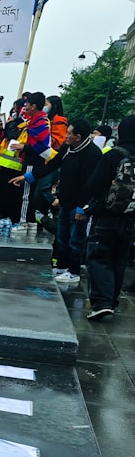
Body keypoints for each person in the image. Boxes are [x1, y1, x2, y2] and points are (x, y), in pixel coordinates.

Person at [12, 118, 101, 283]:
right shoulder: (68, 148)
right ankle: (61, 266)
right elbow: (51, 165)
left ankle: (73, 271)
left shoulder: (92, 154)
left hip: (79, 204)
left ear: (78, 137)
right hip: (65, 200)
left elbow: (91, 185)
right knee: (61, 237)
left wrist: (83, 208)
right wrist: (28, 177)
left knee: (75, 239)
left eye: (69, 133)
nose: (65, 136)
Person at [75, 114, 135, 319]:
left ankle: (101, 302)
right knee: (119, 259)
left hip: (106, 216)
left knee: (99, 257)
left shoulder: (113, 154)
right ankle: (112, 301)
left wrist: (85, 208)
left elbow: (93, 185)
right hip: (129, 218)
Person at [8, 91, 55, 228]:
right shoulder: (34, 121)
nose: (25, 107)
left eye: (27, 104)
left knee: (26, 195)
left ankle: (24, 223)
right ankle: (29, 222)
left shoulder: (41, 122)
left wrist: (23, 147)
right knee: (26, 193)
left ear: (33, 106)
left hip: (33, 162)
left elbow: (41, 146)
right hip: (28, 160)